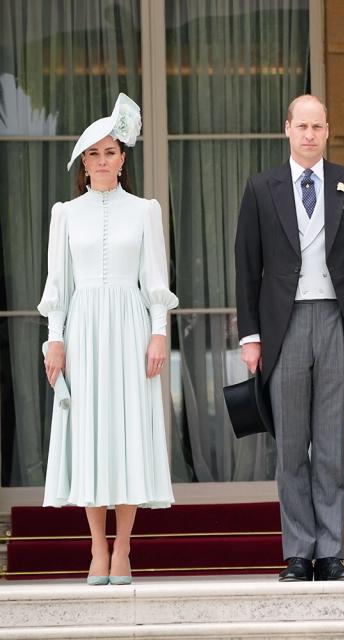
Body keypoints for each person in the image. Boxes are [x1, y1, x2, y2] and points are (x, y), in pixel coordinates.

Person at [235, 95, 344, 582]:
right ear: (287, 129)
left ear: (327, 130)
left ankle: (331, 552)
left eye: (317, 126)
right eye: (302, 126)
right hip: (285, 326)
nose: (309, 134)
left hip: (338, 324)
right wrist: (251, 336)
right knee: (292, 442)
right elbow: (246, 267)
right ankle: (299, 551)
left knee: (332, 445)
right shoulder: (262, 188)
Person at [38, 94, 178, 585]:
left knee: (128, 435)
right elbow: (58, 285)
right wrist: (54, 340)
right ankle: (97, 548)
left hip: (130, 330)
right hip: (82, 331)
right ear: (84, 162)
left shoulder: (145, 211)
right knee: (91, 436)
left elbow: (155, 281)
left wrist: (159, 332)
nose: (102, 161)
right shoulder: (65, 214)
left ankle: (123, 549)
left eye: (111, 152)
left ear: (123, 158)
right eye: (94, 154)